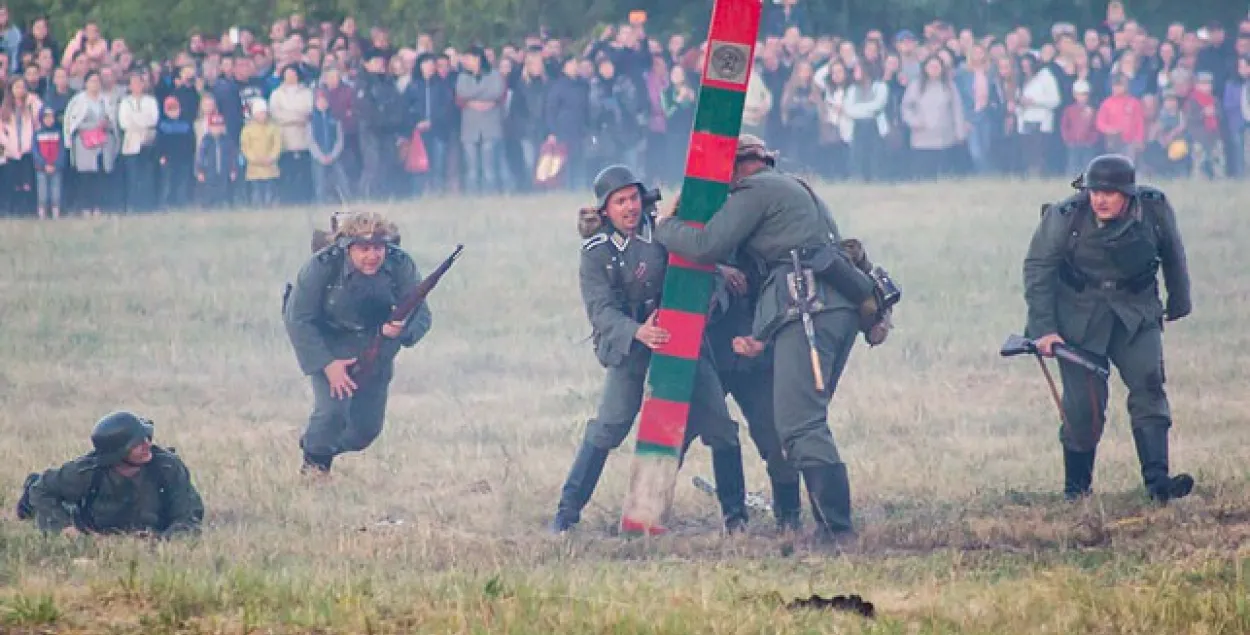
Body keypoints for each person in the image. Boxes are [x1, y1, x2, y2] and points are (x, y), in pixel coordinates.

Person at [651, 134, 874, 544]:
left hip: (809, 307)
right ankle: (829, 526)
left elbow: (705, 244)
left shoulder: (756, 189)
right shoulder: (795, 189)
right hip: (830, 304)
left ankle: (837, 531)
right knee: (798, 422)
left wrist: (665, 228)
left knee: (800, 424)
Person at [551, 164, 748, 534]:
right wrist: (638, 332)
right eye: (619, 201)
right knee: (608, 427)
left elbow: (699, 264)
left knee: (720, 427)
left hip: (682, 342)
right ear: (605, 210)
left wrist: (715, 283)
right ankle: (566, 513)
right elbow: (601, 311)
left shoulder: (664, 232)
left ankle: (736, 517)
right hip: (631, 347)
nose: (629, 208)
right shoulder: (596, 252)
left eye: (633, 198)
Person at [1023, 153, 1193, 504]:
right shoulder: (1065, 216)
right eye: (1094, 190)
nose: (1099, 198)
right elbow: (1038, 269)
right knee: (1083, 406)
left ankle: (1158, 482)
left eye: (1109, 192)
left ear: (1128, 193)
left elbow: (1173, 253)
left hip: (1136, 314)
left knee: (1149, 387)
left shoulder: (1154, 209)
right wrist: (1044, 329)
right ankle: (1076, 491)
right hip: (1079, 318)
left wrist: (1179, 300)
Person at [282, 211, 433, 476]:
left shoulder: (400, 264)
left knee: (366, 431)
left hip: (376, 346)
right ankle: (315, 467)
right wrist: (327, 365)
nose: (372, 256)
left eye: (378, 248)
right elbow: (299, 319)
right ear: (347, 247)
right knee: (332, 412)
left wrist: (401, 331)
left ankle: (317, 446)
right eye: (363, 249)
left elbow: (420, 311)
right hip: (330, 343)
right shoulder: (322, 266)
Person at [701, 259, 804, 532]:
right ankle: (733, 517)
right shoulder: (695, 223)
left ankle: (789, 515)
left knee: (776, 434)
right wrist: (717, 270)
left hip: (756, 352)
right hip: (707, 351)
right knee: (706, 433)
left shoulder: (761, 227)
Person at [17, 411, 204, 539]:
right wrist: (67, 529)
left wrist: (162, 540)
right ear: (117, 453)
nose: (147, 445)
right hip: (93, 522)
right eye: (138, 444)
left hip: (149, 528)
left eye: (147, 438)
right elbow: (41, 490)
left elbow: (189, 516)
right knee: (35, 499)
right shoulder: (88, 473)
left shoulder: (167, 468)